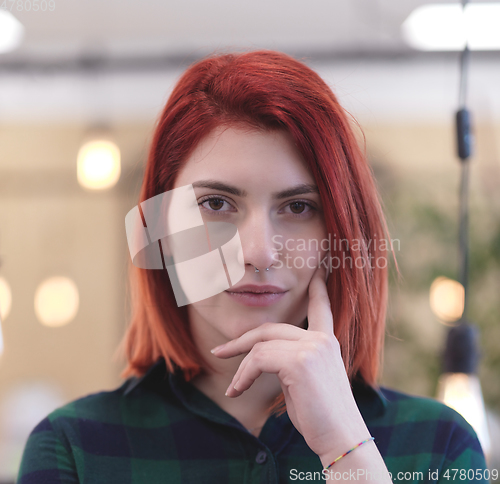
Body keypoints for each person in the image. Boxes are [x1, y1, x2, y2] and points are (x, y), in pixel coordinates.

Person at [17, 50, 488, 484]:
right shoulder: (74, 450)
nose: (259, 252)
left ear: (339, 233)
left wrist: (347, 451)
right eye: (216, 203)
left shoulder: (437, 447)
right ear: (161, 228)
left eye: (299, 207)